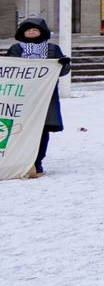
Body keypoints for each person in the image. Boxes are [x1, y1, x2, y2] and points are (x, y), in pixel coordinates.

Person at [6, 16, 72, 177]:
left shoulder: (52, 49)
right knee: (19, 130)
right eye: (28, 30)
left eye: (35, 29)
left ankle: (37, 162)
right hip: (21, 97)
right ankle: (18, 161)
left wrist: (64, 64)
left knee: (41, 130)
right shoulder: (16, 49)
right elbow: (8, 69)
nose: (31, 32)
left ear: (42, 32)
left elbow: (61, 72)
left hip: (45, 97)